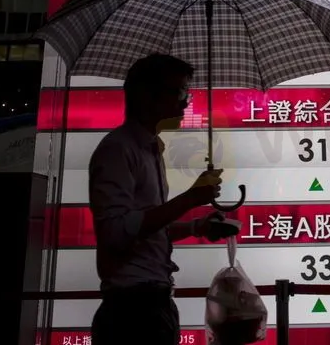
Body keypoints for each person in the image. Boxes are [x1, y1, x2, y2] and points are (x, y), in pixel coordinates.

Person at [89, 54, 227, 345]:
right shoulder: (118, 150)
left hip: (154, 303)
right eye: (178, 92)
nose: (185, 103)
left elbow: (144, 230)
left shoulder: (150, 149)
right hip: (132, 314)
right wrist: (190, 198)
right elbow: (116, 232)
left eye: (186, 93)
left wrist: (197, 227)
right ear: (146, 97)